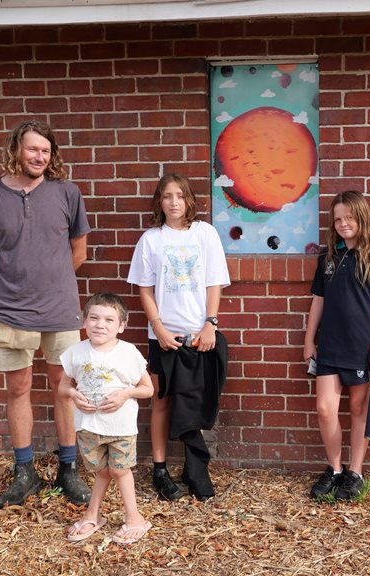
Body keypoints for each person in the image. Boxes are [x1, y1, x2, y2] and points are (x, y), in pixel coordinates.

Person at [0, 120, 92, 508]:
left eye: (46, 150)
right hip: (10, 311)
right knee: (18, 388)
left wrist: (49, 283)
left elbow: (79, 252)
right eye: (32, 149)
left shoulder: (67, 192)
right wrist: (17, 285)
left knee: (65, 389)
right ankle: (24, 473)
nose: (40, 157)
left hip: (61, 309)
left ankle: (68, 470)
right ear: (16, 150)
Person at [127, 173, 230, 501]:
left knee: (193, 402)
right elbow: (144, 289)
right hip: (163, 336)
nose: (173, 202)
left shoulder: (205, 234)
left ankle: (194, 468)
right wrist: (157, 326)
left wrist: (210, 323)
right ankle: (159, 469)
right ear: (159, 201)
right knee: (161, 401)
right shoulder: (151, 240)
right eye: (167, 196)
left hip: (198, 336)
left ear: (189, 200)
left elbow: (214, 281)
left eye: (180, 196)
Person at [304, 190, 370, 501]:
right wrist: (309, 340)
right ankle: (335, 468)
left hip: (361, 349)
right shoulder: (328, 257)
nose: (343, 224)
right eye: (338, 219)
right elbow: (318, 300)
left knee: (358, 409)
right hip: (330, 347)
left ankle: (355, 471)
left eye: (349, 218)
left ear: (362, 219)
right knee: (325, 408)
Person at [59, 293, 154, 544]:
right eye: (94, 318)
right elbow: (63, 386)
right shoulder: (75, 352)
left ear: (121, 326)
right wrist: (73, 395)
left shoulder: (128, 353)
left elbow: (148, 389)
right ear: (84, 321)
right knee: (102, 471)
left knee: (120, 470)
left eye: (109, 320)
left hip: (120, 426)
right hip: (89, 426)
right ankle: (93, 515)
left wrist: (125, 394)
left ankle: (135, 518)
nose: (100, 324)